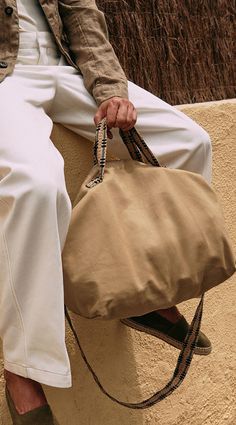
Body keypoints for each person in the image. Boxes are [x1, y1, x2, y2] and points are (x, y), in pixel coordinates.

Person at [0, 1, 212, 423]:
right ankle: (24, 370)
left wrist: (112, 90)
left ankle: (145, 296)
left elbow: (82, 16)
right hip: (6, 78)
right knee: (37, 186)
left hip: (63, 68)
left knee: (189, 142)